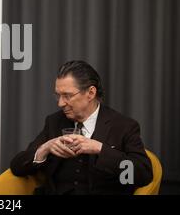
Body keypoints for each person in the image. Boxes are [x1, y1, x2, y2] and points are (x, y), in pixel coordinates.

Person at [10, 60, 153, 195]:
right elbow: (17, 167)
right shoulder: (54, 122)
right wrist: (45, 148)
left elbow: (143, 174)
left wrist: (100, 149)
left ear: (91, 93)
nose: (60, 103)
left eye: (67, 95)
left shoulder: (123, 126)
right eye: (58, 96)